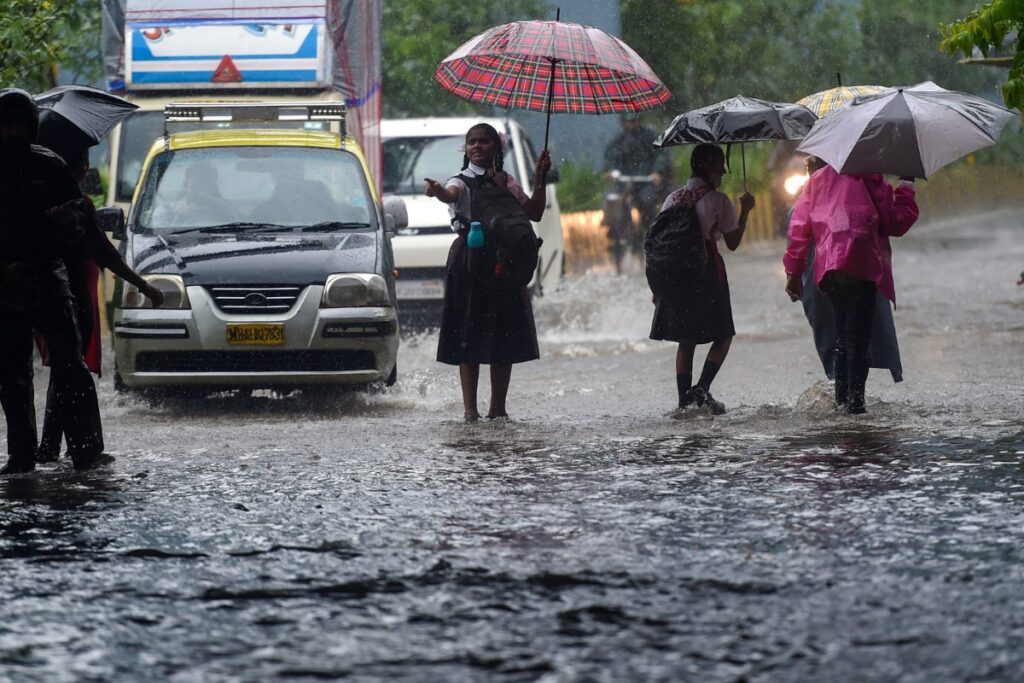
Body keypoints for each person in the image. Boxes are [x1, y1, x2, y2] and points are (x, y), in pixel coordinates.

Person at [31, 128, 164, 462]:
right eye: (82, 161)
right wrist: (144, 285)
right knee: (73, 372)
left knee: (64, 371)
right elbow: (105, 253)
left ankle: (49, 447)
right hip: (66, 300)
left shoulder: (46, 202)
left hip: (52, 299)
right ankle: (84, 448)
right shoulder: (63, 205)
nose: (86, 168)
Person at [0, 89, 108, 474]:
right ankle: (21, 455)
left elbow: (81, 228)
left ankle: (86, 450)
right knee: (12, 373)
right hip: (5, 286)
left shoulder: (52, 166)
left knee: (70, 364)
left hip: (49, 277)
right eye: (6, 124)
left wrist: (69, 222)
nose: (13, 132)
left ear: (32, 127)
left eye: (20, 124)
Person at [423, 123, 550, 421]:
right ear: (465, 150)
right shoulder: (460, 180)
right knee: (468, 333)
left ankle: (498, 410)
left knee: (502, 336)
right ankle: (470, 412)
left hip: (505, 265)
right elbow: (450, 194)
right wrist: (437, 190)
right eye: (472, 142)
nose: (477, 146)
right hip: (470, 263)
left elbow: (534, 212)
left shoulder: (507, 181)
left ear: (496, 148)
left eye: (484, 141)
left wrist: (540, 178)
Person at [784, 163, 919, 414]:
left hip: (830, 268)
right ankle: (856, 405)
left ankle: (842, 401)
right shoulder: (870, 176)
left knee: (843, 335)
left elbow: (799, 228)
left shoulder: (816, 181)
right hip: (862, 264)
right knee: (858, 337)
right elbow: (896, 222)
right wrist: (906, 186)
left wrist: (793, 272)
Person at [650, 143, 754, 415]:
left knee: (687, 338)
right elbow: (732, 242)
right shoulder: (718, 201)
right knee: (724, 334)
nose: (724, 169)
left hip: (675, 275)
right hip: (706, 272)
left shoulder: (673, 198)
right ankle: (702, 388)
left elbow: (661, 242)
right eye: (720, 163)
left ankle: (684, 401)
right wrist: (746, 211)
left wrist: (657, 286)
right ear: (708, 166)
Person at [603, 115, 672, 265]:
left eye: (634, 121)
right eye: (628, 121)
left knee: (646, 202)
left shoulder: (649, 135)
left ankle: (651, 234)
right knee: (615, 202)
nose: (631, 124)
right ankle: (617, 234)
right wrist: (609, 169)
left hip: (646, 181)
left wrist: (657, 171)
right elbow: (610, 155)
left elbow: (660, 154)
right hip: (625, 182)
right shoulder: (620, 139)